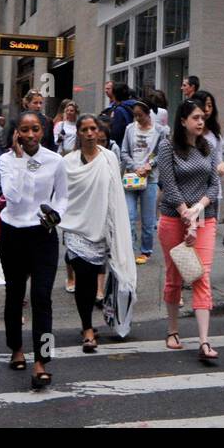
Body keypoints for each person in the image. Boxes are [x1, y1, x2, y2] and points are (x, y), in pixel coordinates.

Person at [0, 110, 67, 388]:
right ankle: (16, 348)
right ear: (16, 133)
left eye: (35, 129)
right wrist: (17, 160)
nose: (29, 135)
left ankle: (42, 361)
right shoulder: (5, 160)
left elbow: (62, 196)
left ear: (43, 131)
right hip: (13, 233)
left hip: (43, 234)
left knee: (42, 297)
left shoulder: (56, 161)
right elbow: (12, 197)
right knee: (14, 295)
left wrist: (56, 215)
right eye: (24, 130)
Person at [156, 99, 222, 363]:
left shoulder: (208, 146)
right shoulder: (167, 146)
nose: (200, 121)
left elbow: (214, 185)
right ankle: (172, 330)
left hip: (204, 217)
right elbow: (169, 186)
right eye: (195, 117)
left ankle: (204, 340)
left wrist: (198, 210)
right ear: (182, 121)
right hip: (174, 218)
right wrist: (186, 213)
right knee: (175, 276)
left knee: (201, 275)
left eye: (202, 118)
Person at [62, 114, 136, 350]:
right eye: (85, 129)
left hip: (101, 228)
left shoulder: (109, 158)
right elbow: (62, 196)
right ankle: (86, 328)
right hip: (76, 229)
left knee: (94, 281)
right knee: (83, 280)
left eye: (93, 128)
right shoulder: (68, 162)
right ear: (79, 133)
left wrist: (116, 230)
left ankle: (99, 321)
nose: (90, 133)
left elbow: (116, 195)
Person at [120, 99, 163, 264]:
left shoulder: (159, 131)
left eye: (140, 115)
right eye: (135, 115)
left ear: (148, 113)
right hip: (131, 177)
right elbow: (124, 152)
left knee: (148, 220)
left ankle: (146, 251)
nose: (137, 118)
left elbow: (162, 152)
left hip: (150, 178)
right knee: (129, 216)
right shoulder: (129, 129)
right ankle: (130, 249)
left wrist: (149, 165)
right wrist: (134, 166)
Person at [106, 82, 136, 147]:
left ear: (114, 95)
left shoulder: (118, 110)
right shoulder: (135, 106)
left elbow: (116, 132)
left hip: (121, 145)